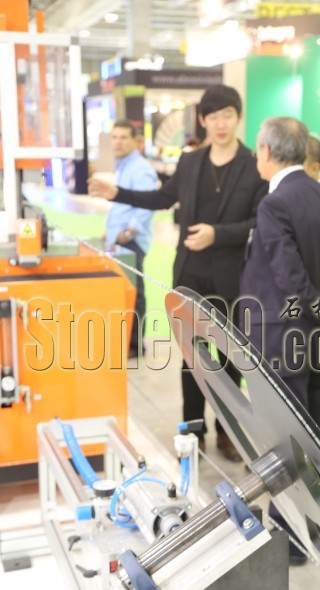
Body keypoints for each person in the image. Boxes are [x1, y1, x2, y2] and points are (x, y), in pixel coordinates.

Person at [89, 84, 269, 461]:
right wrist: (118, 193)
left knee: (228, 360)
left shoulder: (253, 166)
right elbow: (162, 197)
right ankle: (193, 431)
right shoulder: (190, 162)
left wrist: (218, 234)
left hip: (232, 278)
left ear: (238, 118)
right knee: (192, 358)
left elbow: (259, 221)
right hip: (189, 276)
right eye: (213, 117)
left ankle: (228, 432)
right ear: (203, 120)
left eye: (227, 116)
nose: (220, 124)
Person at [240, 117, 320, 564]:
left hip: (282, 339)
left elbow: (291, 280)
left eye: (257, 150)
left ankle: (294, 534)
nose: (256, 157)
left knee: (288, 437)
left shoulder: (274, 204)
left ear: (268, 152)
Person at [106, 120, 158, 358]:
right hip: (118, 239)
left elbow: (147, 204)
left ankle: (135, 346)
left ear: (135, 141)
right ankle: (127, 341)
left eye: (123, 137)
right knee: (124, 291)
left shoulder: (140, 168)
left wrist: (128, 232)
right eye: (115, 137)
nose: (118, 142)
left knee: (134, 293)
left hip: (131, 241)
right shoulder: (124, 165)